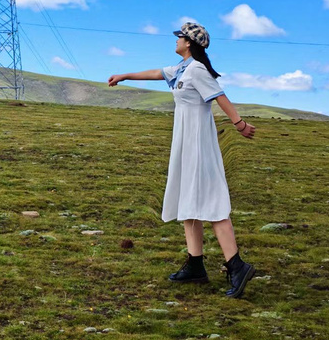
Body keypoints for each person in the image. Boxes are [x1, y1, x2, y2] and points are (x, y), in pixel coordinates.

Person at [108, 22, 256, 299]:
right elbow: (155, 72)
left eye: (179, 38)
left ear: (189, 43)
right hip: (185, 143)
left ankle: (237, 266)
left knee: (211, 201)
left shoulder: (198, 70)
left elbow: (220, 96)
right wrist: (125, 75)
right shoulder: (181, 69)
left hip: (199, 144)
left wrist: (239, 124)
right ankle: (195, 265)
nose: (175, 41)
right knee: (187, 201)